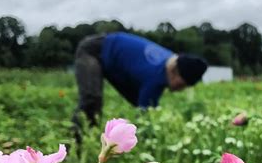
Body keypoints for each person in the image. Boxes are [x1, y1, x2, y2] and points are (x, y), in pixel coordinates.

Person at [72, 32, 208, 135]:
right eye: (182, 84)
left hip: (107, 51)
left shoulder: (171, 61)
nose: (180, 89)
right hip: (92, 50)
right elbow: (145, 117)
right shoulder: (155, 77)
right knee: (91, 100)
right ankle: (73, 145)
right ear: (175, 71)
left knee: (97, 105)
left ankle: (92, 139)